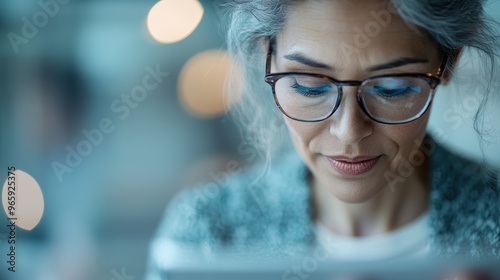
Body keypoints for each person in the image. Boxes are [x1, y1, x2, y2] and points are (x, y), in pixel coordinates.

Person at [146, 0, 499, 278]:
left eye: (392, 88)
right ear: (265, 55)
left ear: (448, 62)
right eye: (309, 86)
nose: (348, 130)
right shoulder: (209, 232)